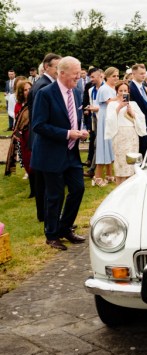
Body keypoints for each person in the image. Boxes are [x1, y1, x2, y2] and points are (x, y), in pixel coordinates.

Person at [30, 56, 89, 251]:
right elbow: (38, 125)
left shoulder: (78, 92)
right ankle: (52, 234)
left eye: (79, 73)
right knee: (54, 195)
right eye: (75, 74)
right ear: (61, 73)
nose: (78, 77)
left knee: (78, 189)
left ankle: (65, 228)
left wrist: (81, 130)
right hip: (51, 153)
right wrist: (66, 134)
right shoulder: (45, 93)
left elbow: (76, 117)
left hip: (71, 153)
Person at [28, 53, 62, 222]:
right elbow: (39, 118)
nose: (60, 70)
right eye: (57, 67)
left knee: (44, 181)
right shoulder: (43, 86)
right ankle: (45, 215)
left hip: (42, 138)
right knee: (44, 182)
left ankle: (45, 214)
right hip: (42, 138)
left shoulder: (46, 83)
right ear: (47, 67)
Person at [105, 81, 147, 186]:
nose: (123, 92)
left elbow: (141, 118)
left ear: (128, 91)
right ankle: (119, 186)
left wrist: (132, 113)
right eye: (120, 90)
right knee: (121, 163)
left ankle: (132, 186)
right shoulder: (112, 105)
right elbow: (109, 120)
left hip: (132, 135)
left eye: (125, 90)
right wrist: (119, 107)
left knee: (131, 163)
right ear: (117, 91)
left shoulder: (133, 104)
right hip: (119, 134)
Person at [94, 67, 119, 187]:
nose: (116, 78)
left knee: (110, 145)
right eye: (113, 76)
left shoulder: (113, 89)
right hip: (105, 118)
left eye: (117, 76)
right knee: (103, 145)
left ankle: (109, 174)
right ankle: (98, 176)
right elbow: (110, 102)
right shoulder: (104, 89)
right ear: (107, 77)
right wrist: (121, 97)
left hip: (112, 116)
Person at [129, 64, 147, 156]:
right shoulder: (130, 88)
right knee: (141, 150)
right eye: (141, 73)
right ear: (134, 74)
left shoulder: (142, 87)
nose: (143, 75)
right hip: (138, 124)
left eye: (144, 73)